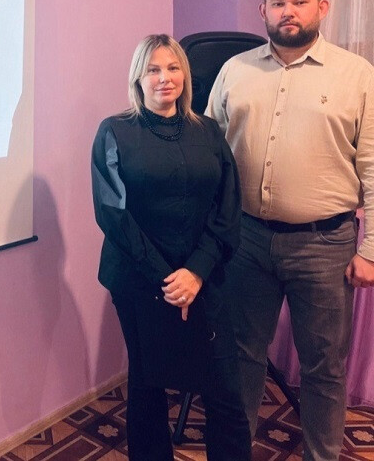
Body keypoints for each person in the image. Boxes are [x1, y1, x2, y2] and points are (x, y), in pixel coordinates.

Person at [206, 0, 374, 461]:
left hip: (324, 245)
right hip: (246, 240)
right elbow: (209, 153)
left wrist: (370, 249)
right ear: (263, 10)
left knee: (324, 366)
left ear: (321, 8)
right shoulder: (235, 71)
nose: (288, 12)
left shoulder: (357, 75)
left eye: (299, 2)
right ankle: (236, 451)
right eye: (278, 3)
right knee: (241, 356)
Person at [92, 34, 251, 460]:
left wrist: (195, 272)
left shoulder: (208, 131)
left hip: (204, 277)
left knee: (225, 389)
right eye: (153, 69)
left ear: (185, 75)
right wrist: (168, 280)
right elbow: (113, 213)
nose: (165, 78)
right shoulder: (114, 131)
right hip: (140, 282)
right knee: (148, 387)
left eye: (173, 67)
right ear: (138, 79)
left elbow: (227, 205)